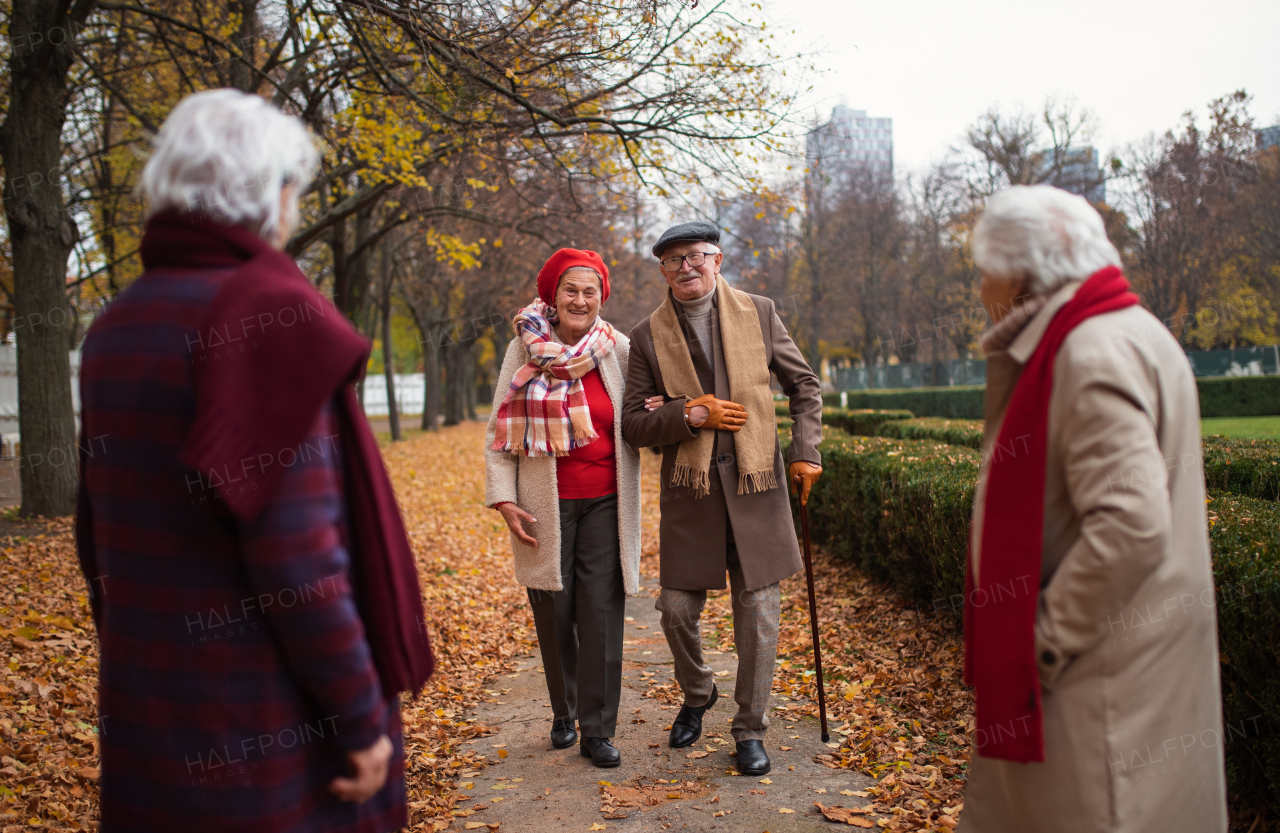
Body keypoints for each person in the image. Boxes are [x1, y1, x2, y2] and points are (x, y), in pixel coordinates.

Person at [75, 89, 433, 833]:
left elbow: (95, 535)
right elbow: (298, 561)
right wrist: (362, 717)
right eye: (292, 191)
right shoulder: (267, 318)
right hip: (267, 720)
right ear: (270, 195)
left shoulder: (115, 324)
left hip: (148, 707)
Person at [959, 185, 1227, 832]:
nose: (980, 288)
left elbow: (1132, 525)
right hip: (1125, 665)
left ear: (1024, 271)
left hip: (1094, 687)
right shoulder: (1128, 330)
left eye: (985, 269)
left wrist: (1041, 641)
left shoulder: (1088, 350)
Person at [620, 221, 823, 776]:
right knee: (676, 610)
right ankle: (697, 690)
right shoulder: (646, 335)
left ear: (718, 259)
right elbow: (634, 424)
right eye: (673, 260)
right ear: (663, 271)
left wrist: (808, 451)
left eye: (696, 256)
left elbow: (803, 385)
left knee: (758, 613)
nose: (686, 267)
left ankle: (750, 727)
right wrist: (689, 413)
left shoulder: (758, 312)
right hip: (692, 494)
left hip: (758, 488)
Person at [484, 249, 642, 768]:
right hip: (543, 504)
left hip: (605, 502)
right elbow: (499, 430)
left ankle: (598, 729)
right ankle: (564, 709)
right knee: (554, 610)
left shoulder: (618, 348)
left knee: (598, 611)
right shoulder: (523, 348)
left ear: (602, 297)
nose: (580, 299)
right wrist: (503, 496)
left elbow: (639, 414)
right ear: (553, 296)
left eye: (589, 290)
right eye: (570, 290)